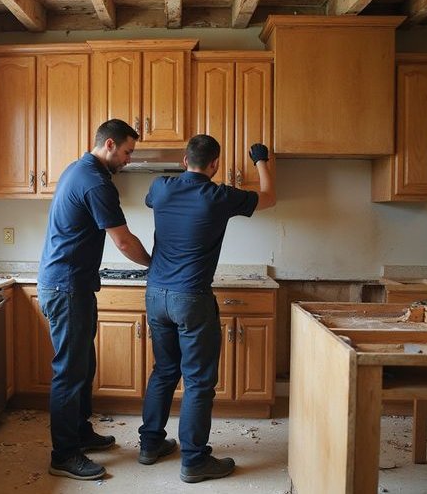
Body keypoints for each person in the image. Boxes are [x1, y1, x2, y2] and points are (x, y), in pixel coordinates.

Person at [138, 135, 276, 483]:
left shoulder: (161, 187)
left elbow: (151, 199)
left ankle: (150, 445)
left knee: (164, 371)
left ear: (185, 160)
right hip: (191, 298)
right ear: (215, 165)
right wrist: (260, 160)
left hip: (156, 294)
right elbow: (270, 198)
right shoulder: (219, 196)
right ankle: (195, 460)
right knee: (198, 382)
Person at [38, 119, 152, 481]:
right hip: (66, 286)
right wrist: (157, 265)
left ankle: (80, 433)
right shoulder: (95, 181)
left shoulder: (80, 169)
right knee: (70, 372)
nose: (130, 159)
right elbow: (122, 240)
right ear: (110, 145)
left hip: (72, 285)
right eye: (128, 152)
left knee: (83, 365)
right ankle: (64, 454)